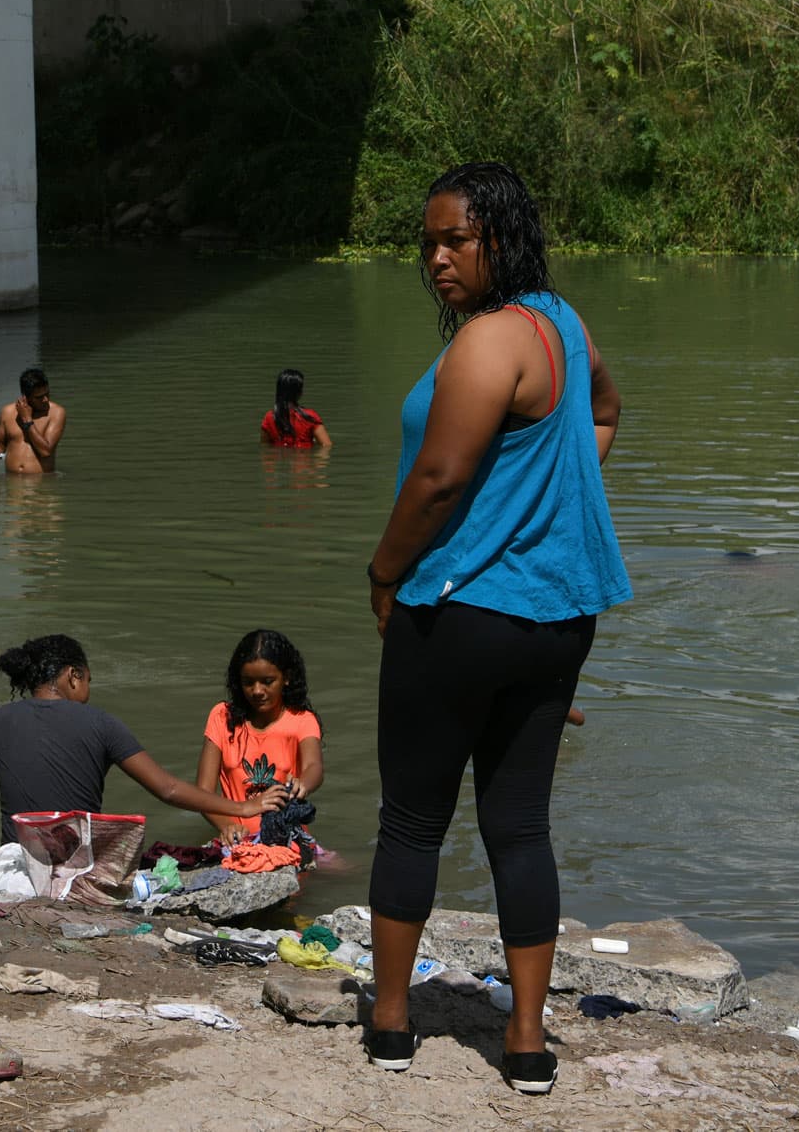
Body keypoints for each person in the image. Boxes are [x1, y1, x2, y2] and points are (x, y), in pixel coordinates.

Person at [359, 161, 630, 1096]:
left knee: (412, 819)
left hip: (460, 611)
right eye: (426, 243)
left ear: (501, 241)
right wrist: (554, 496)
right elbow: (603, 411)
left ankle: (391, 1021)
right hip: (558, 617)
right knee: (521, 827)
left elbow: (435, 482)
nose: (436, 258)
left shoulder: (485, 344)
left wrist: (384, 572)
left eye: (454, 241)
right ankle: (525, 1043)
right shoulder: (563, 323)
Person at [0, 634, 287, 844]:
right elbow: (168, 789)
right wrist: (245, 807)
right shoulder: (99, 722)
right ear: (73, 676)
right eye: (88, 680)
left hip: (17, 858)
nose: (87, 691)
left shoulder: (0, 719)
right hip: (74, 865)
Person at [196, 628, 323, 845]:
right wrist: (227, 826)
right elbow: (202, 793)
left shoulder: (302, 719)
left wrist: (303, 783)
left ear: (287, 678)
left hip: (288, 837)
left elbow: (315, 767)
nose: (257, 691)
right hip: (238, 837)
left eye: (267, 681)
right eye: (248, 682)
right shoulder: (221, 717)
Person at [0, 368, 63, 473]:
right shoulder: (7, 412)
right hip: (12, 482)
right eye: (39, 397)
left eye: (47, 394)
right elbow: (0, 445)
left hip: (41, 484)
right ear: (25, 397)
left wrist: (27, 419)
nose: (45, 399)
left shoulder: (56, 412)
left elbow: (45, 451)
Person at [260, 369, 332, 449]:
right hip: (304, 459)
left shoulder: (269, 417)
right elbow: (327, 445)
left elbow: (265, 446)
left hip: (279, 458)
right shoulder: (310, 417)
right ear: (299, 392)